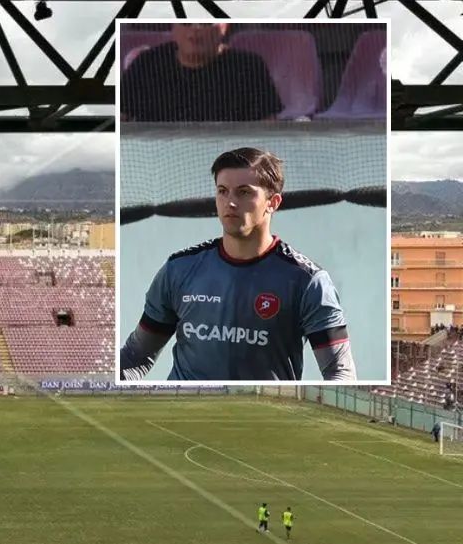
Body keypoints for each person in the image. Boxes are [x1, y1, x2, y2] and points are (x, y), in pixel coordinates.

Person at [118, 147, 356, 381]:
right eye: (222, 191)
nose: (230, 202)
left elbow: (340, 371)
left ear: (273, 202)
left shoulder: (309, 282)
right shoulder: (178, 270)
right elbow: (135, 356)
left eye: (243, 192)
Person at [120, 22, 283, 123]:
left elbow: (266, 126)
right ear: (174, 28)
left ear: (223, 27)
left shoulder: (249, 66)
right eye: (187, 23)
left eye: (205, 23)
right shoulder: (147, 62)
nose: (195, 29)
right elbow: (121, 116)